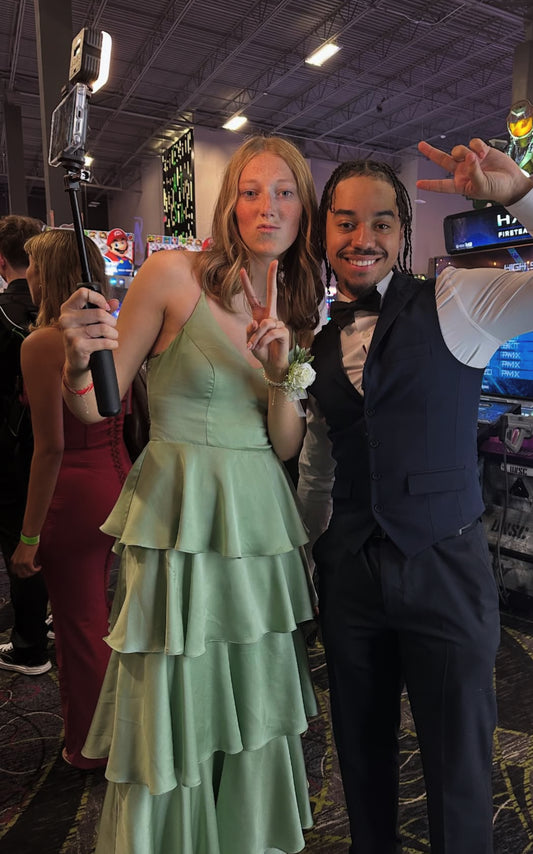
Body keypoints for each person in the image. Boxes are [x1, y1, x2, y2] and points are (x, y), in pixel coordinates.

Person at [58, 135, 324, 853]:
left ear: (303, 208)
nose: (267, 207)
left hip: (258, 525)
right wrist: (78, 362)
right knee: (174, 694)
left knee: (252, 696)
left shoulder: (299, 305)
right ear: (229, 203)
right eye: (251, 191)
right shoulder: (172, 274)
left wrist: (280, 371)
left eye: (284, 192)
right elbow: (95, 406)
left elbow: (286, 444)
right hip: (179, 519)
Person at [297, 137, 533, 854]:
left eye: (380, 222)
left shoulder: (457, 298)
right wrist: (303, 558)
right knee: (360, 760)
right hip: (350, 575)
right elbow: (318, 466)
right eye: (345, 222)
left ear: (402, 233)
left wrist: (523, 197)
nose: (361, 238)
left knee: (458, 767)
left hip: (443, 566)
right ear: (324, 232)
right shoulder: (312, 339)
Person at [9, 228, 132, 768]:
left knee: (80, 626)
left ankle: (92, 746)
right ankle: (120, 732)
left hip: (74, 492)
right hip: (120, 478)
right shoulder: (116, 329)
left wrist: (28, 535)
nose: (28, 277)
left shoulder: (42, 342)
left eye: (35, 268)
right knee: (107, 620)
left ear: (51, 274)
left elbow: (51, 447)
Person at [0, 214, 51, 676]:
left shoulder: (7, 313)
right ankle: (47, 622)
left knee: (21, 542)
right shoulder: (65, 314)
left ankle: (30, 644)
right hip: (67, 448)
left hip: (15, 450)